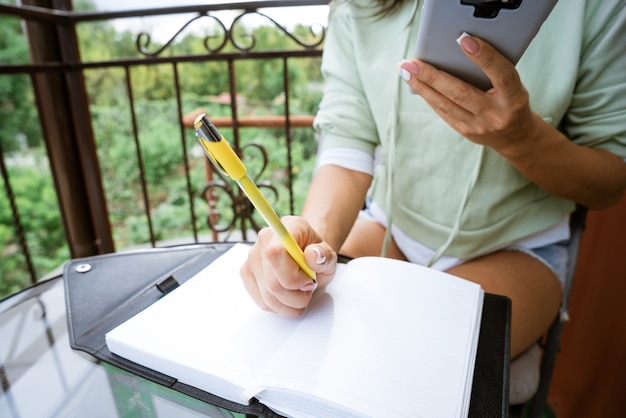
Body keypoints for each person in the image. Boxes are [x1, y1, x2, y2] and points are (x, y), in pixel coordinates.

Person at [240, 0, 626, 365]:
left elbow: (609, 182)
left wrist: (523, 139)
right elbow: (348, 140)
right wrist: (310, 243)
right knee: (299, 331)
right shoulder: (355, 7)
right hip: (392, 227)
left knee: (410, 369)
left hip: (517, 247)